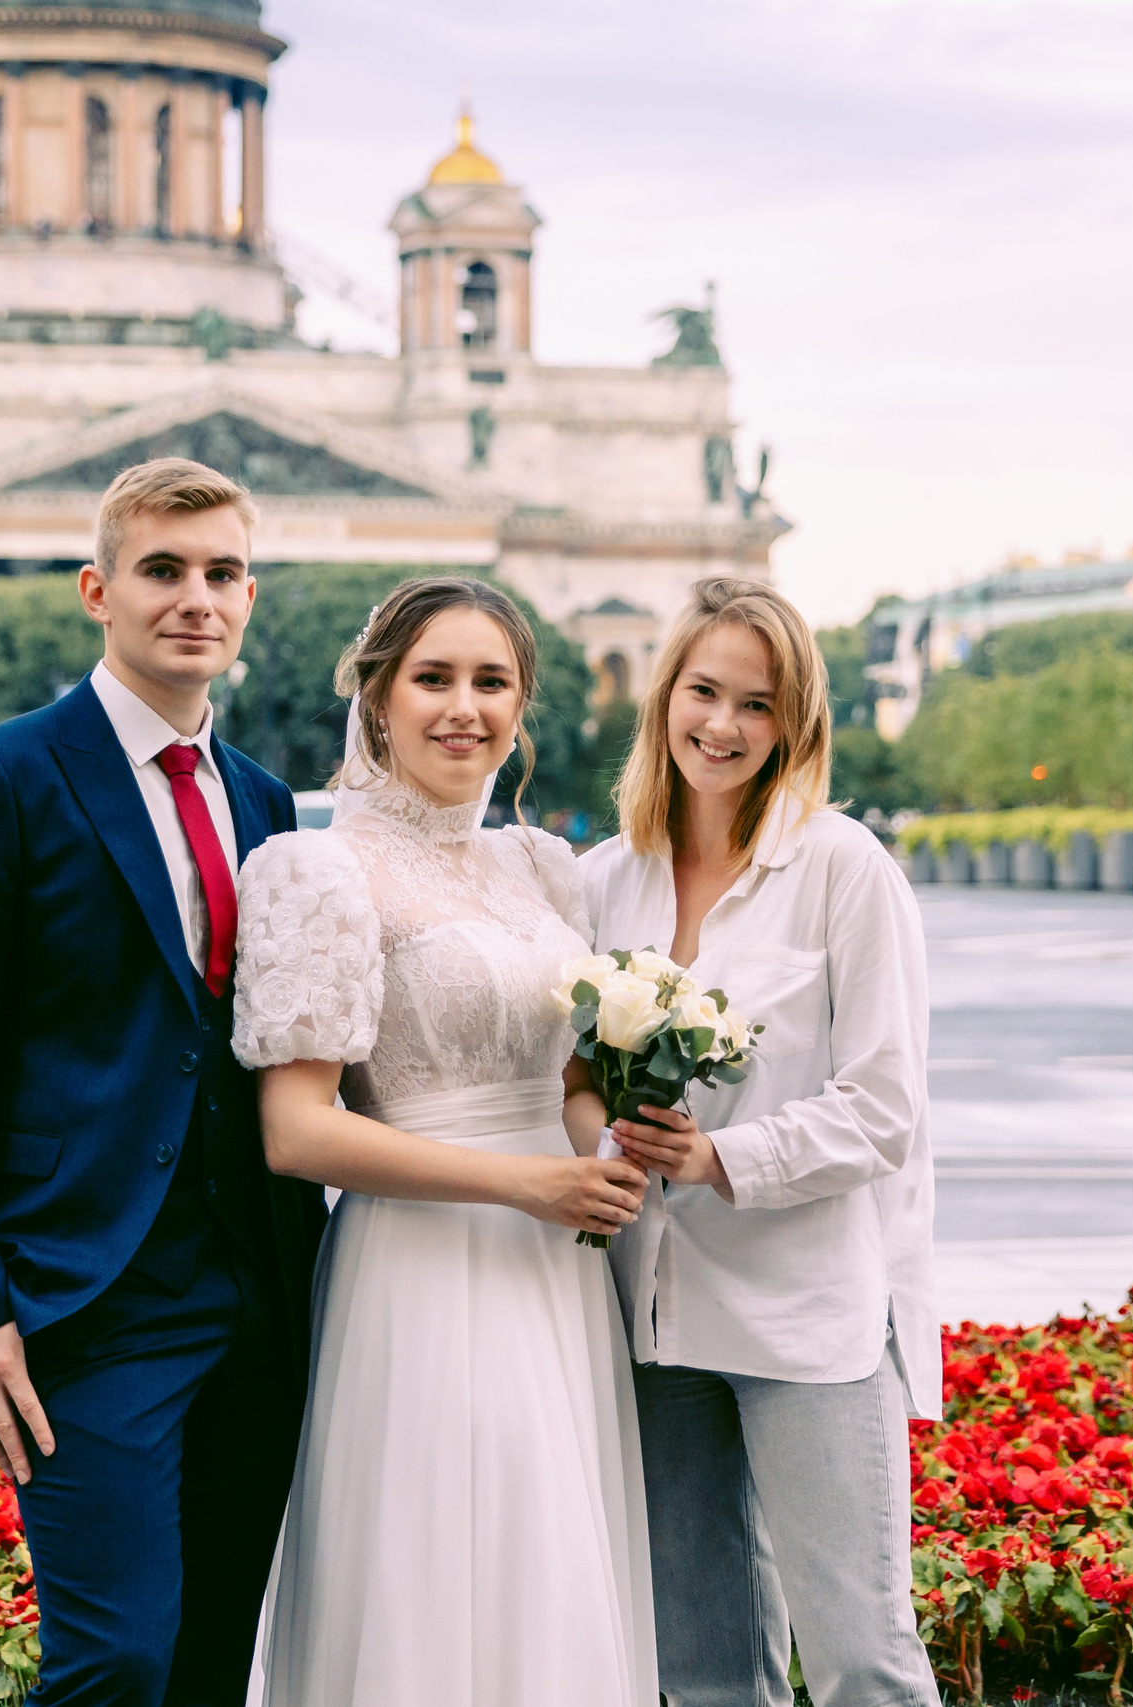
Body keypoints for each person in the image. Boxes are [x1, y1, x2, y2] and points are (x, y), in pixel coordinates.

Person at [0, 458, 324, 1707]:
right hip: (87, 1295)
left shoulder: (261, 798)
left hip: (256, 1291)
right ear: (98, 591)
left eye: (223, 574)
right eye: (163, 571)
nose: (196, 599)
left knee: (208, 1664)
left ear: (248, 599)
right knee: (115, 1659)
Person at [232, 576, 657, 1706]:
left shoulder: (543, 867)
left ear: (522, 706)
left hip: (558, 1261)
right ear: (377, 698)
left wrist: (601, 1151)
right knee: (436, 1577)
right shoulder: (316, 870)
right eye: (433, 678)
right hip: (421, 1266)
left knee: (551, 1571)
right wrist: (524, 1184)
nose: (464, 707)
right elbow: (295, 1131)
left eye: (491, 681)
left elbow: (568, 1077)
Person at [578, 577, 940, 1707]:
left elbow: (884, 1105)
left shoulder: (842, 868)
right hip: (653, 1320)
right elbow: (567, 1079)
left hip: (805, 1319)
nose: (723, 726)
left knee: (863, 1662)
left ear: (795, 723)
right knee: (702, 1672)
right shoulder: (599, 881)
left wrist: (722, 1157)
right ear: (664, 696)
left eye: (757, 704)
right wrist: (597, 1150)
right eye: (703, 692)